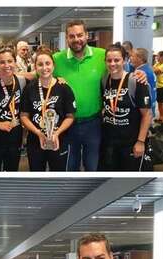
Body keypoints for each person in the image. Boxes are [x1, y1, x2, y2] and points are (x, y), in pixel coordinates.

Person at [53, 20, 106, 171]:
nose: (76, 39)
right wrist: (3, 73)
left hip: (93, 124)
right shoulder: (57, 59)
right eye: (72, 36)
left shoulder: (101, 55)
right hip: (68, 125)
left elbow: (120, 71)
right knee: (70, 167)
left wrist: (139, 74)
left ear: (87, 35)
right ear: (67, 39)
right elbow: (36, 74)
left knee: (92, 166)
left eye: (80, 35)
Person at [21, 48, 76, 171]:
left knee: (58, 176)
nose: (44, 67)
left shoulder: (64, 88)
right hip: (35, 140)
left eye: (48, 63)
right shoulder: (29, 88)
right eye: (40, 64)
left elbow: (70, 116)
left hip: (59, 140)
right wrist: (38, 133)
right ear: (35, 67)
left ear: (53, 65)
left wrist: (57, 133)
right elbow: (24, 116)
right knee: (37, 175)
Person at [99, 45, 152, 171]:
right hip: (110, 143)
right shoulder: (104, 80)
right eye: (109, 60)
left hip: (130, 143)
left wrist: (140, 142)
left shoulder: (136, 81)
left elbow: (147, 114)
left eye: (117, 60)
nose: (112, 64)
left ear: (124, 60)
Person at [129, 48, 158, 118]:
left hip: (145, 110)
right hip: (151, 106)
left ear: (140, 58)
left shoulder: (141, 73)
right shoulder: (148, 68)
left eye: (132, 56)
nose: (130, 58)